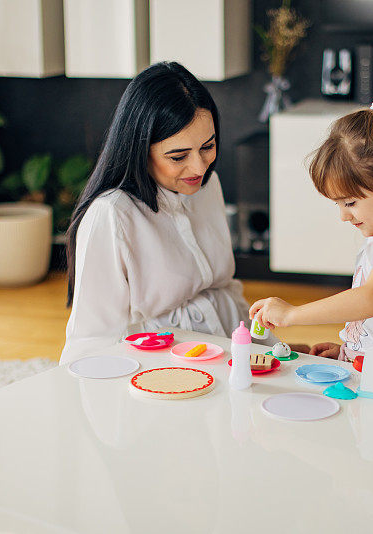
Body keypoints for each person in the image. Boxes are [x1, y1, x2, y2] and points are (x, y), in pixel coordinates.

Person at [60, 62, 276, 365]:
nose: (199, 167)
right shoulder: (111, 216)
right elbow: (91, 340)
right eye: (178, 156)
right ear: (140, 149)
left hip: (231, 353)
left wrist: (272, 349)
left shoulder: (207, 185)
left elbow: (226, 294)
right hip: (161, 370)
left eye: (208, 146)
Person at [250, 89, 373, 362]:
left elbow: (371, 299)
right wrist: (348, 349)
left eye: (350, 203)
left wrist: (292, 314)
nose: (344, 217)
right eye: (338, 205)